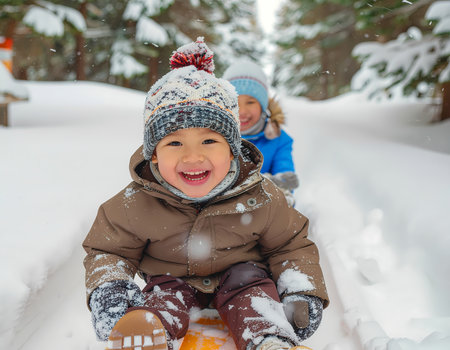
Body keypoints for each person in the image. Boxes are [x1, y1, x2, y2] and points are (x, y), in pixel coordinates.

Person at [83, 38, 329, 350]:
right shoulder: (136, 202)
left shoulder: (262, 195)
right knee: (162, 297)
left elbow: (290, 245)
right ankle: (149, 334)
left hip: (242, 276)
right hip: (171, 278)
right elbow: (109, 251)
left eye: (209, 142)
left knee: (254, 292)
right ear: (153, 155)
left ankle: (270, 339)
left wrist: (301, 289)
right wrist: (111, 291)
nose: (192, 157)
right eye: (174, 143)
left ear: (232, 149)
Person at [223, 61, 298, 206]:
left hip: (263, 205)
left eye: (250, 102)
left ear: (262, 105)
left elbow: (285, 177)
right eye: (235, 102)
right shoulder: (216, 136)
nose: (242, 111)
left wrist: (281, 193)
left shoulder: (279, 140)